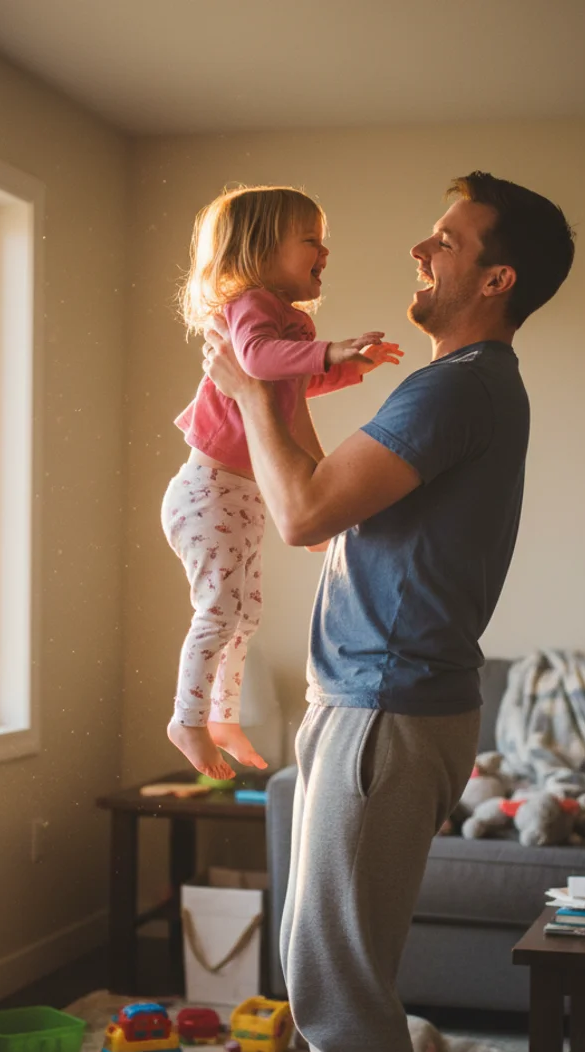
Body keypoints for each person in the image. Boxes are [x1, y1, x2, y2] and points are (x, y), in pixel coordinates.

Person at [202, 171, 575, 1052]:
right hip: (361, 697)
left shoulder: (458, 387)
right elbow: (339, 522)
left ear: (494, 277)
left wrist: (249, 387)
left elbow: (304, 507)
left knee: (329, 980)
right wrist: (281, 391)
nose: (421, 248)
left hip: (385, 705)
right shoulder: (454, 387)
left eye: (447, 239)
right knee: (335, 965)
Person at [163, 184, 403, 779]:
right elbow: (259, 362)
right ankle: (185, 720)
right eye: (311, 241)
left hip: (239, 493)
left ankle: (221, 717)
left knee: (244, 614)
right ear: (261, 252)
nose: (325, 253)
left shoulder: (286, 321)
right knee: (218, 609)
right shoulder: (251, 304)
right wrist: (328, 351)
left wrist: (345, 368)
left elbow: (286, 385)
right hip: (209, 489)